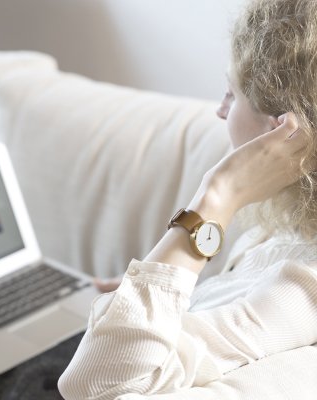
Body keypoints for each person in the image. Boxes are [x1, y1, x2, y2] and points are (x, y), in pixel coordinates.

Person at [58, 0, 317, 398]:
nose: (221, 111)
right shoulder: (289, 229)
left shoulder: (300, 287)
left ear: (280, 134)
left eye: (231, 94)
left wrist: (219, 194)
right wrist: (148, 296)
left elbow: (96, 384)